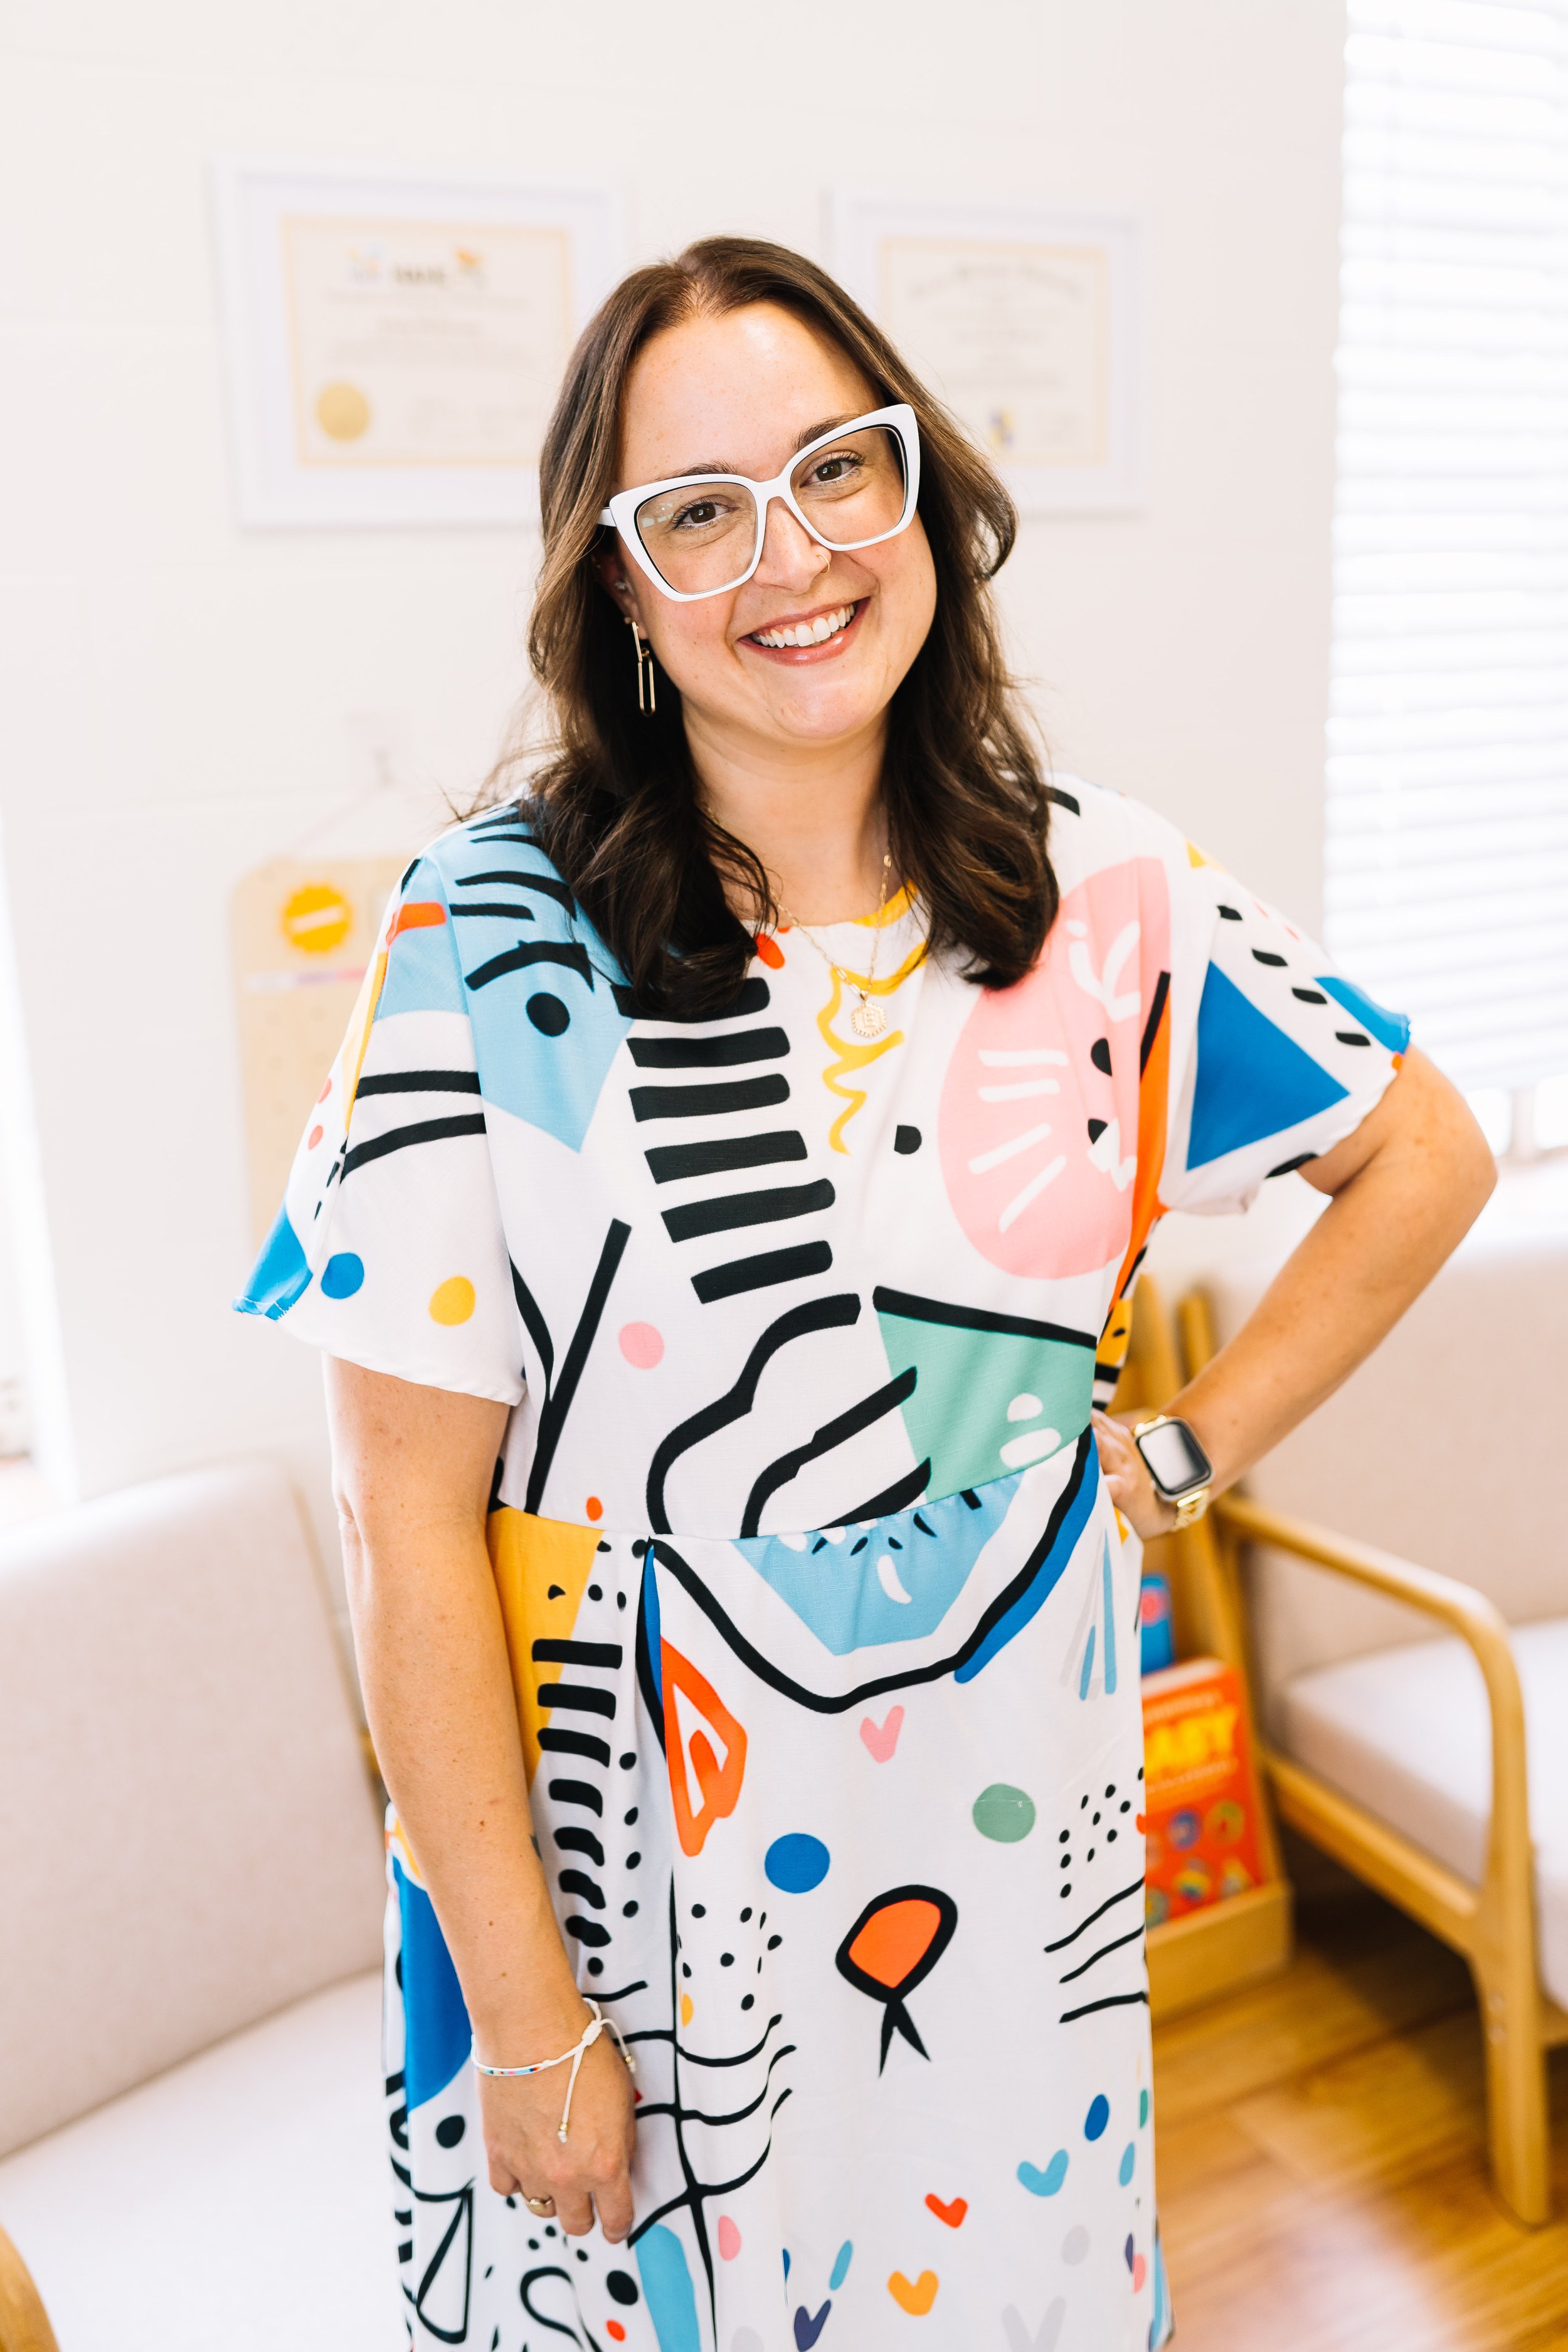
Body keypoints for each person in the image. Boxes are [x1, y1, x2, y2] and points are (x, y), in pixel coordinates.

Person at [238, 238, 1493, 2352]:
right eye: (698, 511)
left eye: (841, 468)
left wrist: (1182, 1450)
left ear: (923, 493)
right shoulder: (484, 938)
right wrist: (535, 2024)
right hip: (632, 1852)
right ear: (619, 591)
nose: (791, 554)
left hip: (1017, 1811)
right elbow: (404, 1525)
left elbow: (1420, 1152)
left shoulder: (1104, 889)